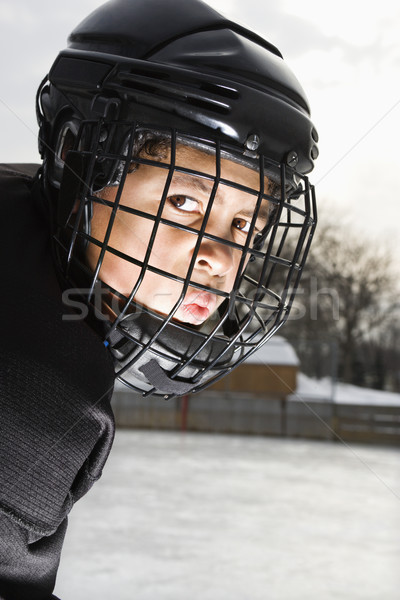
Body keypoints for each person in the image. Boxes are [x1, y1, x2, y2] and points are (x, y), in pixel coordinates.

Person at [0, 0, 318, 597]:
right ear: (76, 155)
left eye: (245, 224)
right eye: (184, 204)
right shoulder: (36, 392)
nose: (221, 257)